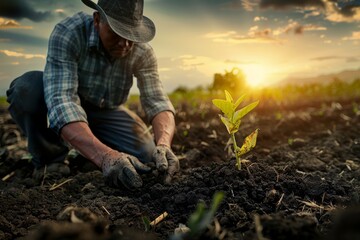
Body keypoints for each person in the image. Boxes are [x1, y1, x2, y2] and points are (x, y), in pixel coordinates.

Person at [6, 0, 179, 189]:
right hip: (69, 100)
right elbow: (62, 102)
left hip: (107, 110)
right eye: (116, 33)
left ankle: (89, 147)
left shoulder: (143, 51)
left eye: (131, 35)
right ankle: (52, 160)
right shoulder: (69, 33)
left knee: (147, 156)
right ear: (97, 20)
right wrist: (105, 157)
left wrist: (164, 144)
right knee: (27, 89)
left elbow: (158, 100)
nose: (125, 44)